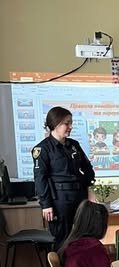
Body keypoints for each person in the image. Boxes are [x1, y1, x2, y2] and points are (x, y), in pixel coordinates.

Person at [32, 106, 95, 249]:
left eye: (71, 123)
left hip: (80, 198)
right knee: (63, 240)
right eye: (67, 123)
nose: (70, 127)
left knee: (83, 237)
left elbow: (88, 168)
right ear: (55, 124)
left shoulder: (74, 145)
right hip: (60, 201)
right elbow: (40, 179)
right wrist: (46, 204)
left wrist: (88, 188)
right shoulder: (42, 149)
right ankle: (62, 264)